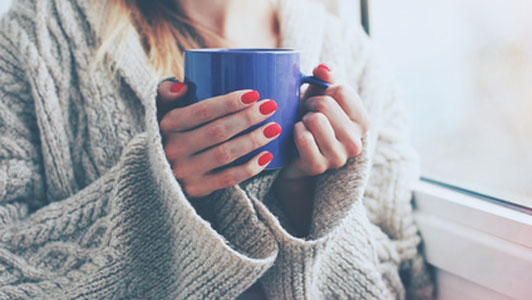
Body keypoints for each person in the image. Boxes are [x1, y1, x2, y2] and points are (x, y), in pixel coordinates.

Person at [0, 0, 434, 298]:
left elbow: (402, 281)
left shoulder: (355, 59)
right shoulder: (33, 39)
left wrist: (308, 198)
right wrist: (153, 194)